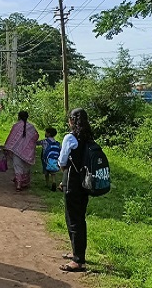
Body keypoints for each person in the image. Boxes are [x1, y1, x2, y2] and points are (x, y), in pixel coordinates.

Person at [58, 108, 94, 272]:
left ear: (72, 121)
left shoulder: (70, 138)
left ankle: (78, 260)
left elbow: (62, 161)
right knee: (79, 219)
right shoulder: (88, 138)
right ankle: (77, 253)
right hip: (85, 184)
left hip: (72, 183)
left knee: (73, 220)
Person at [3, 111, 39, 192]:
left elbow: (11, 137)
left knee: (18, 167)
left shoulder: (16, 126)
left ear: (18, 116)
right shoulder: (32, 127)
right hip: (28, 152)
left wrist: (6, 147)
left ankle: (19, 184)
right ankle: (24, 183)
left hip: (16, 151)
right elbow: (36, 137)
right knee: (26, 168)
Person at [38, 127, 60, 192]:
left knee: (46, 171)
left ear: (48, 134)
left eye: (46, 132)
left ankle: (47, 183)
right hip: (54, 159)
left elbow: (37, 143)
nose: (45, 133)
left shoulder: (44, 141)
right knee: (53, 171)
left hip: (45, 158)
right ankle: (53, 182)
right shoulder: (56, 142)